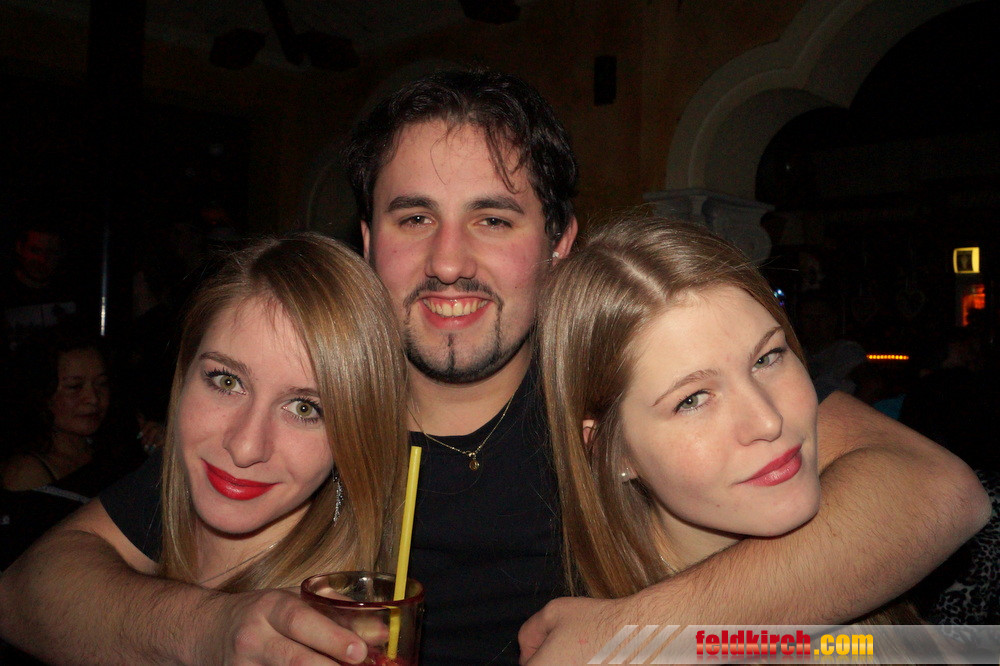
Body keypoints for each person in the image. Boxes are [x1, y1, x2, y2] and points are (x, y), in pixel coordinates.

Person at [0, 68, 989, 666]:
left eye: (494, 218)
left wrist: (647, 633)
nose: (447, 263)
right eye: (412, 217)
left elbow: (931, 492)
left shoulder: (620, 382)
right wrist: (211, 636)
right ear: (367, 241)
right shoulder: (308, 413)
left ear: (558, 244)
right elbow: (32, 589)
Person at [536, 217, 919, 625]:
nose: (768, 421)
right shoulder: (595, 641)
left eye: (767, 358)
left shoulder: (879, 556)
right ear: (611, 453)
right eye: (692, 400)